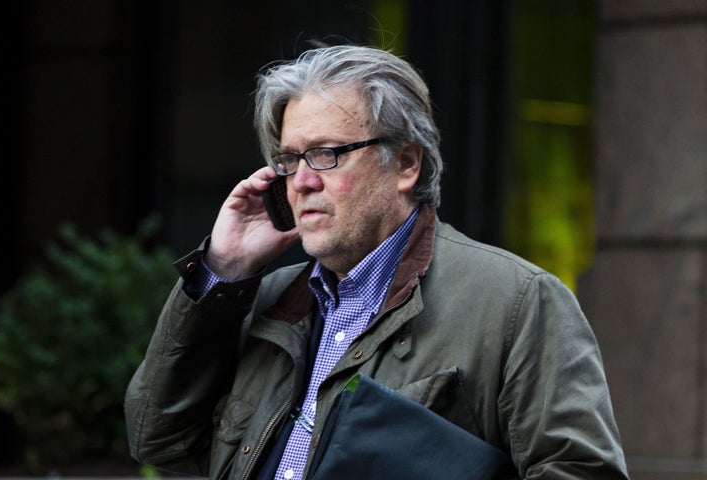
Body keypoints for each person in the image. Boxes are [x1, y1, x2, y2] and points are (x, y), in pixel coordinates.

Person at [125, 44, 629, 479]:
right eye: (290, 159)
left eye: (326, 154)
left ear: (406, 164)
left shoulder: (516, 301)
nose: (301, 181)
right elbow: (159, 441)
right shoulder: (266, 299)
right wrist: (224, 272)